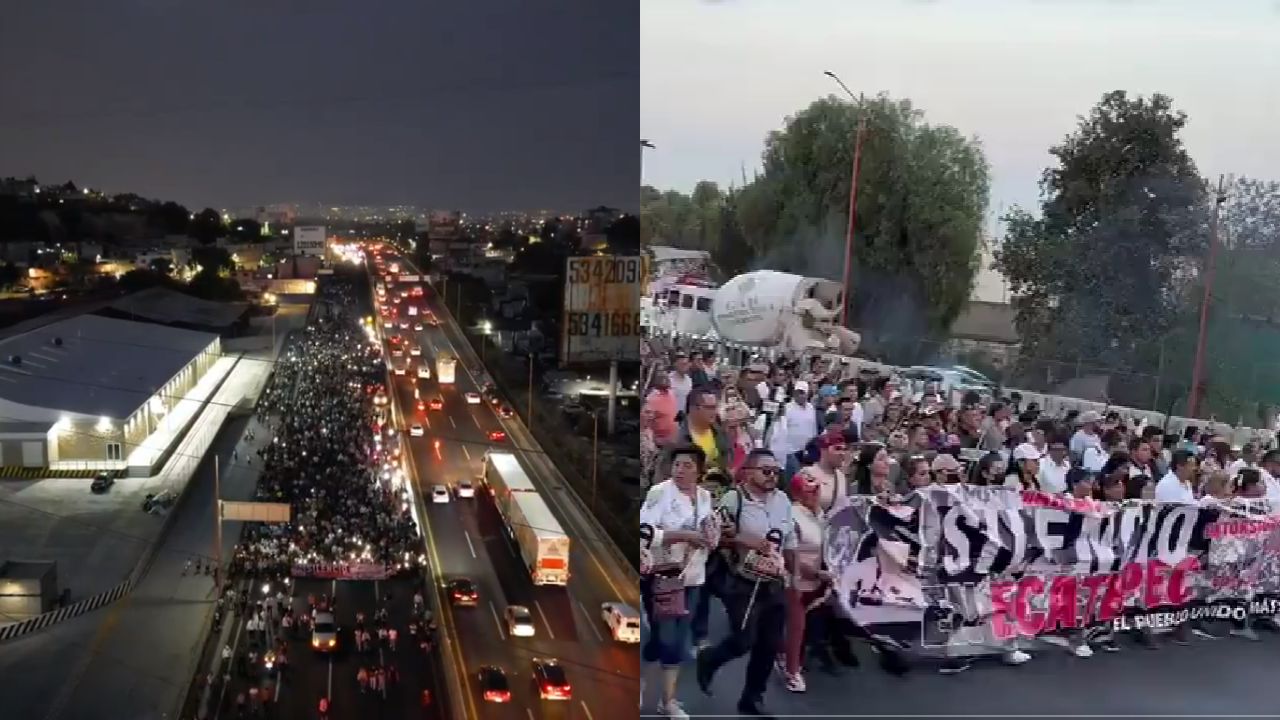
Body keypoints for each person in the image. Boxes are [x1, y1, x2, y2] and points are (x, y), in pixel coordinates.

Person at [696, 449, 793, 717]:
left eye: (776, 471)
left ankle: (752, 698)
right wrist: (743, 539)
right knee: (744, 639)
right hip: (743, 582)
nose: (772, 476)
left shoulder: (783, 500)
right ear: (748, 473)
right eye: (765, 471)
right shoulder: (733, 499)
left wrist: (791, 572)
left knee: (770, 644)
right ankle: (710, 659)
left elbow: (788, 538)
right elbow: (712, 536)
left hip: (774, 581)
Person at [640, 444, 718, 719]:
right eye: (677, 465)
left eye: (687, 466)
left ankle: (668, 700)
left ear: (699, 470)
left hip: (694, 577)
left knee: (679, 640)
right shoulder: (660, 493)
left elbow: (710, 532)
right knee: (666, 637)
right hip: (663, 575)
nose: (680, 471)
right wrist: (683, 536)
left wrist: (710, 537)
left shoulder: (706, 497)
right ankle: (643, 682)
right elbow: (646, 532)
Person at [779, 470, 832, 692]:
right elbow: (791, 552)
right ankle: (792, 671)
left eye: (817, 490)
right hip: (796, 577)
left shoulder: (819, 513)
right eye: (809, 491)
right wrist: (814, 572)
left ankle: (787, 654)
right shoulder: (792, 515)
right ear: (798, 493)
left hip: (820, 577)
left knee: (811, 623)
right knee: (796, 626)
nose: (814, 495)